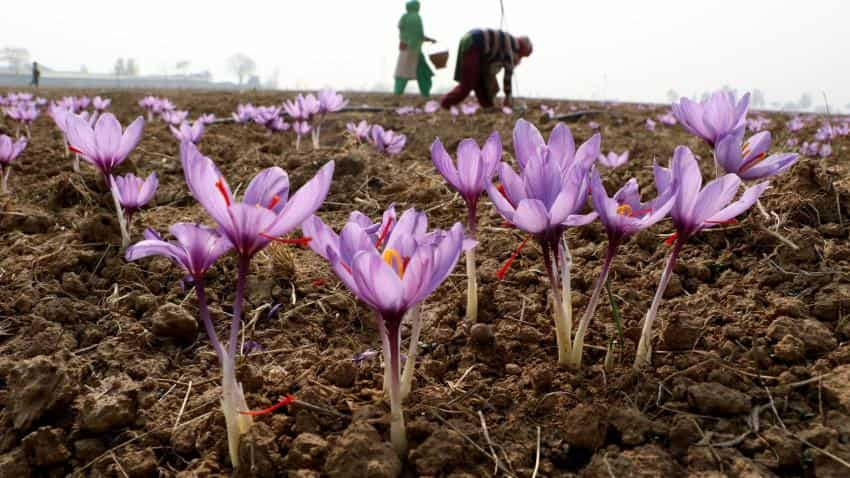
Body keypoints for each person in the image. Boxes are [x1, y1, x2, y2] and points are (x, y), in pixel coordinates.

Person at [440, 29, 532, 110]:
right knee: (468, 84)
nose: (520, 60)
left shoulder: (509, 41)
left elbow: (489, 67)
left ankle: (487, 105)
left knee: (479, 78)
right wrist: (508, 96)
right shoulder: (513, 49)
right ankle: (445, 103)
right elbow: (507, 77)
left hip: (470, 39)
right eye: (522, 56)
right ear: (522, 50)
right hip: (475, 43)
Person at [394, 0, 435, 97]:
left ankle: (398, 92)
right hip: (415, 50)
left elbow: (401, 29)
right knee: (424, 73)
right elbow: (419, 35)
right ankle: (425, 93)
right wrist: (430, 40)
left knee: (402, 73)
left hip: (405, 49)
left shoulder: (404, 17)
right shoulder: (417, 18)